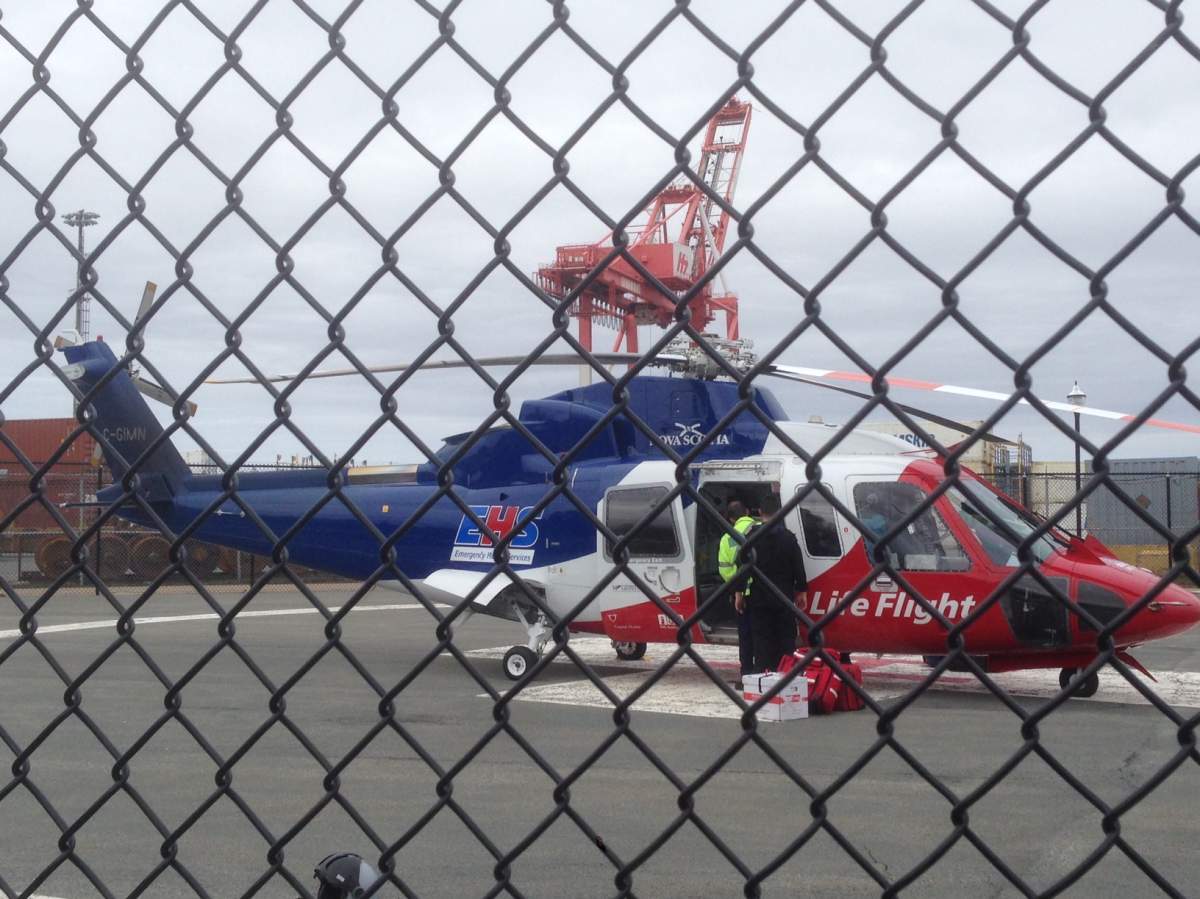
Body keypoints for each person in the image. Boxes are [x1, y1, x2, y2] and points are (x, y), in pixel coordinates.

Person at [739, 493, 807, 673]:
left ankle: (762, 673)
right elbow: (798, 566)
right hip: (783, 596)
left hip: (759, 597)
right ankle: (787, 672)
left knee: (761, 639)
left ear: (760, 512)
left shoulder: (751, 538)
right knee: (786, 638)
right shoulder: (788, 538)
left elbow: (743, 568)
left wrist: (739, 593)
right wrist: (801, 590)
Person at [717, 498, 758, 677]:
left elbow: (725, 570)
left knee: (746, 636)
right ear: (748, 512)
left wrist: (737, 589)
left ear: (731, 519)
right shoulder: (764, 529)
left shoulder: (727, 538)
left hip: (743, 594)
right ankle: (767, 671)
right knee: (764, 633)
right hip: (765, 591)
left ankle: (747, 673)